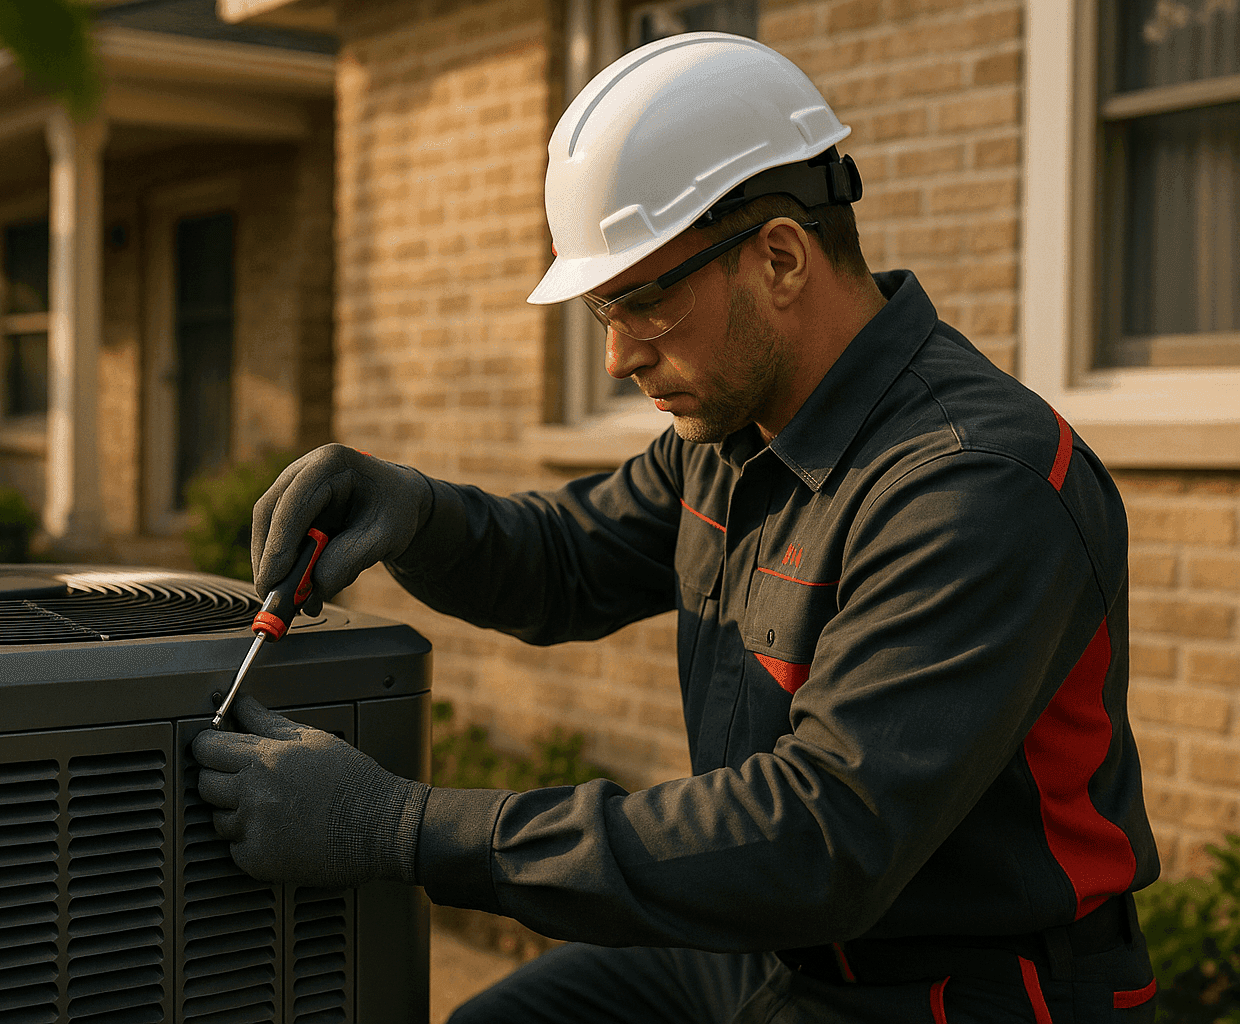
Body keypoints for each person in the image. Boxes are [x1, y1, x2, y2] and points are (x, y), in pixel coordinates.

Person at [192, 32, 1161, 1023]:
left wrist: (401, 827)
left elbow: (821, 837)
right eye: (603, 310)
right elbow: (567, 561)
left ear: (781, 258)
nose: (618, 358)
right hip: (761, 950)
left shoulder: (972, 484)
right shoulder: (735, 432)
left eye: (644, 303)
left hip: (959, 990)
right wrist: (414, 514)